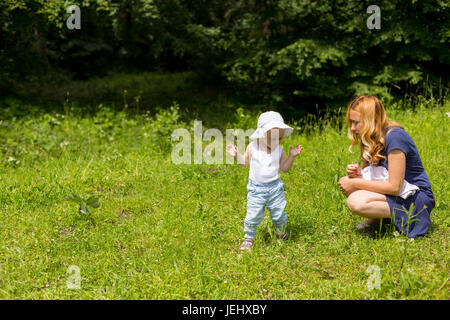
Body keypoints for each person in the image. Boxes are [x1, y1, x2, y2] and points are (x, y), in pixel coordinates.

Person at [338, 96, 435, 238]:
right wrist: (358, 174)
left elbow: (395, 187)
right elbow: (375, 175)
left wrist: (355, 182)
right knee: (346, 182)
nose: (352, 128)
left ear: (372, 120)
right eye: (351, 122)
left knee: (355, 201)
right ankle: (382, 219)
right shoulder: (369, 137)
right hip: (398, 193)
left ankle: (413, 216)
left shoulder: (395, 137)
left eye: (356, 123)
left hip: (416, 197)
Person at [226, 111, 303, 250]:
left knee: (279, 213)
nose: (276, 142)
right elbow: (244, 162)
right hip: (256, 190)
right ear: (261, 135)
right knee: (253, 214)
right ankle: (249, 237)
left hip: (275, 188)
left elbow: (284, 168)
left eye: (279, 138)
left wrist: (292, 157)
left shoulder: (279, 150)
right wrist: (236, 154)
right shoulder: (252, 147)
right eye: (272, 138)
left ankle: (280, 231)